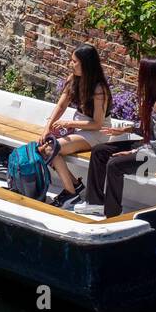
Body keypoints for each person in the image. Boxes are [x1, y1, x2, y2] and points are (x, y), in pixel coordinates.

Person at [80, 57, 156, 219]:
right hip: (153, 146)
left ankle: (113, 214)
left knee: (115, 165)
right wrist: (127, 129)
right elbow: (152, 132)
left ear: (150, 77)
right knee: (100, 151)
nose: (138, 76)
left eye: (141, 72)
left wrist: (133, 152)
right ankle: (95, 204)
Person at [42, 45, 113, 207]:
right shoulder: (73, 80)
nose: (70, 64)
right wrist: (47, 127)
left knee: (51, 149)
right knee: (44, 147)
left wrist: (68, 123)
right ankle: (74, 184)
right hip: (80, 128)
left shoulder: (99, 89)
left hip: (97, 133)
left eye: (74, 61)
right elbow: (61, 106)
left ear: (86, 64)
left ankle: (71, 193)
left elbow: (97, 123)